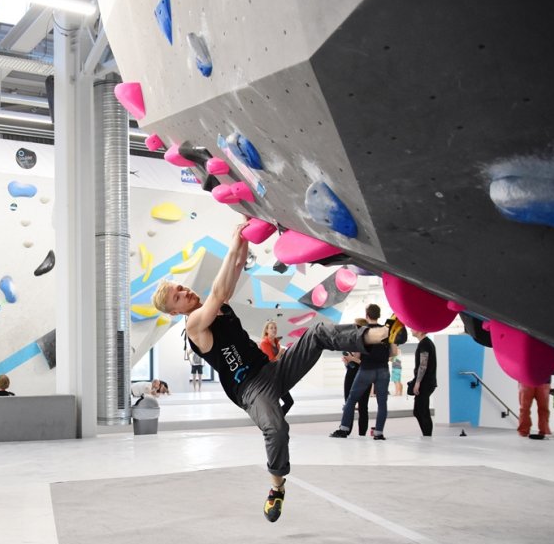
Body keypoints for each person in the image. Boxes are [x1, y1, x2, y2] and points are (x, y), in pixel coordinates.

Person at [151, 222, 388, 523]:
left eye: (181, 287)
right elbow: (220, 289)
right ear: (175, 311)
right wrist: (234, 237)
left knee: (315, 332)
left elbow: (237, 265)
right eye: (178, 296)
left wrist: (245, 232)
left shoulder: (216, 308)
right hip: (251, 389)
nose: (185, 292)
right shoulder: (194, 324)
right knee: (275, 429)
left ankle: (375, 336)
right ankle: (277, 487)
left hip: (272, 369)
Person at [330, 304, 391, 440]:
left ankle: (344, 429)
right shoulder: (386, 331)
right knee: (382, 403)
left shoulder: (363, 331)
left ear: (367, 315)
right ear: (379, 315)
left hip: (367, 369)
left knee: (351, 399)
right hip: (383, 369)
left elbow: (357, 354)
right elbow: (392, 352)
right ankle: (379, 432)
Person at [340, 318, 371, 437]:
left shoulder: (368, 344)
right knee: (348, 403)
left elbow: (367, 363)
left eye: (355, 325)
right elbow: (351, 362)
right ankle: (346, 429)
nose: (353, 327)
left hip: (363, 374)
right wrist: (347, 361)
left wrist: (352, 359)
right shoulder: (352, 341)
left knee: (363, 406)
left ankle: (362, 433)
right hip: (351, 373)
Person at [259, 321, 294, 415]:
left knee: (289, 402)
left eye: (275, 328)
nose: (274, 330)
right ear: (266, 330)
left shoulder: (276, 342)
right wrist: (280, 353)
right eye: (271, 328)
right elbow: (271, 361)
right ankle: (276, 421)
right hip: (270, 378)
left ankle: (278, 419)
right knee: (279, 403)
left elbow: (279, 360)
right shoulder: (264, 343)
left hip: (278, 376)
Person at [408, 329, 437, 436]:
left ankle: (427, 435)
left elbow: (423, 365)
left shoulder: (425, 344)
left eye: (413, 328)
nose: (411, 329)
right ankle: (426, 434)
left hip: (425, 383)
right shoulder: (425, 343)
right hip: (426, 382)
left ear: (420, 331)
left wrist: (418, 382)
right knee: (418, 410)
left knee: (422, 411)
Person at [517, 374, 554, 439]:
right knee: (524, 408)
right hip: (525, 380)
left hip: (544, 381)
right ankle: (523, 431)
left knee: (543, 409)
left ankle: (544, 431)